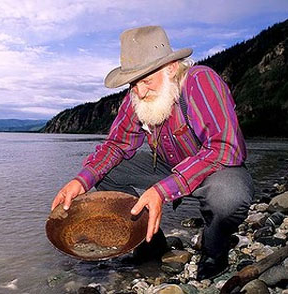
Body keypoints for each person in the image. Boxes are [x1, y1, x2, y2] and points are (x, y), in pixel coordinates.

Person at [51, 26, 254, 280]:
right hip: (170, 168)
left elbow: (225, 147)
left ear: (170, 68)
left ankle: (215, 248)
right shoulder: (136, 97)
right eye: (133, 83)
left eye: (146, 80)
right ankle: (149, 242)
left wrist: (161, 190)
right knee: (106, 172)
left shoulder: (200, 81)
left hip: (216, 170)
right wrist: (80, 180)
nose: (139, 92)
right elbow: (115, 145)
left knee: (229, 198)